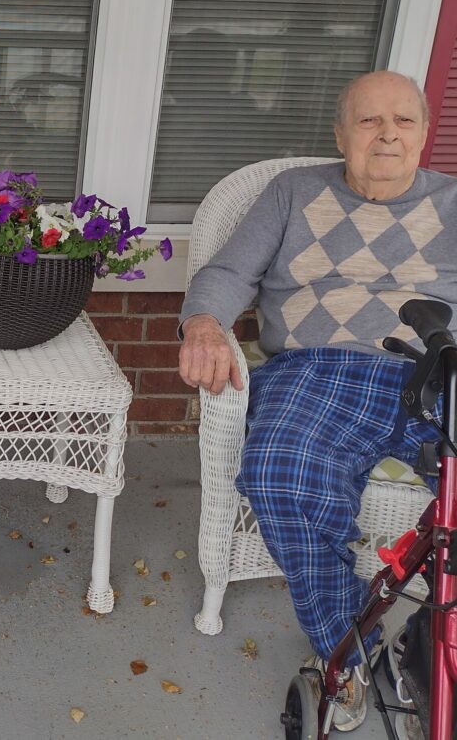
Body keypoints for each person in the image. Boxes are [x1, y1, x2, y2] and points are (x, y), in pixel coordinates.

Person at [178, 69, 457, 733]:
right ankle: (348, 648)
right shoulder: (294, 192)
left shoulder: (453, 201)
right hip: (318, 368)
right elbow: (225, 273)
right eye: (368, 121)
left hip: (438, 366)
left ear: (423, 134)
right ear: (340, 135)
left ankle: (432, 643)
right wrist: (205, 324)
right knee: (284, 474)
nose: (387, 134)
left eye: (403, 121)